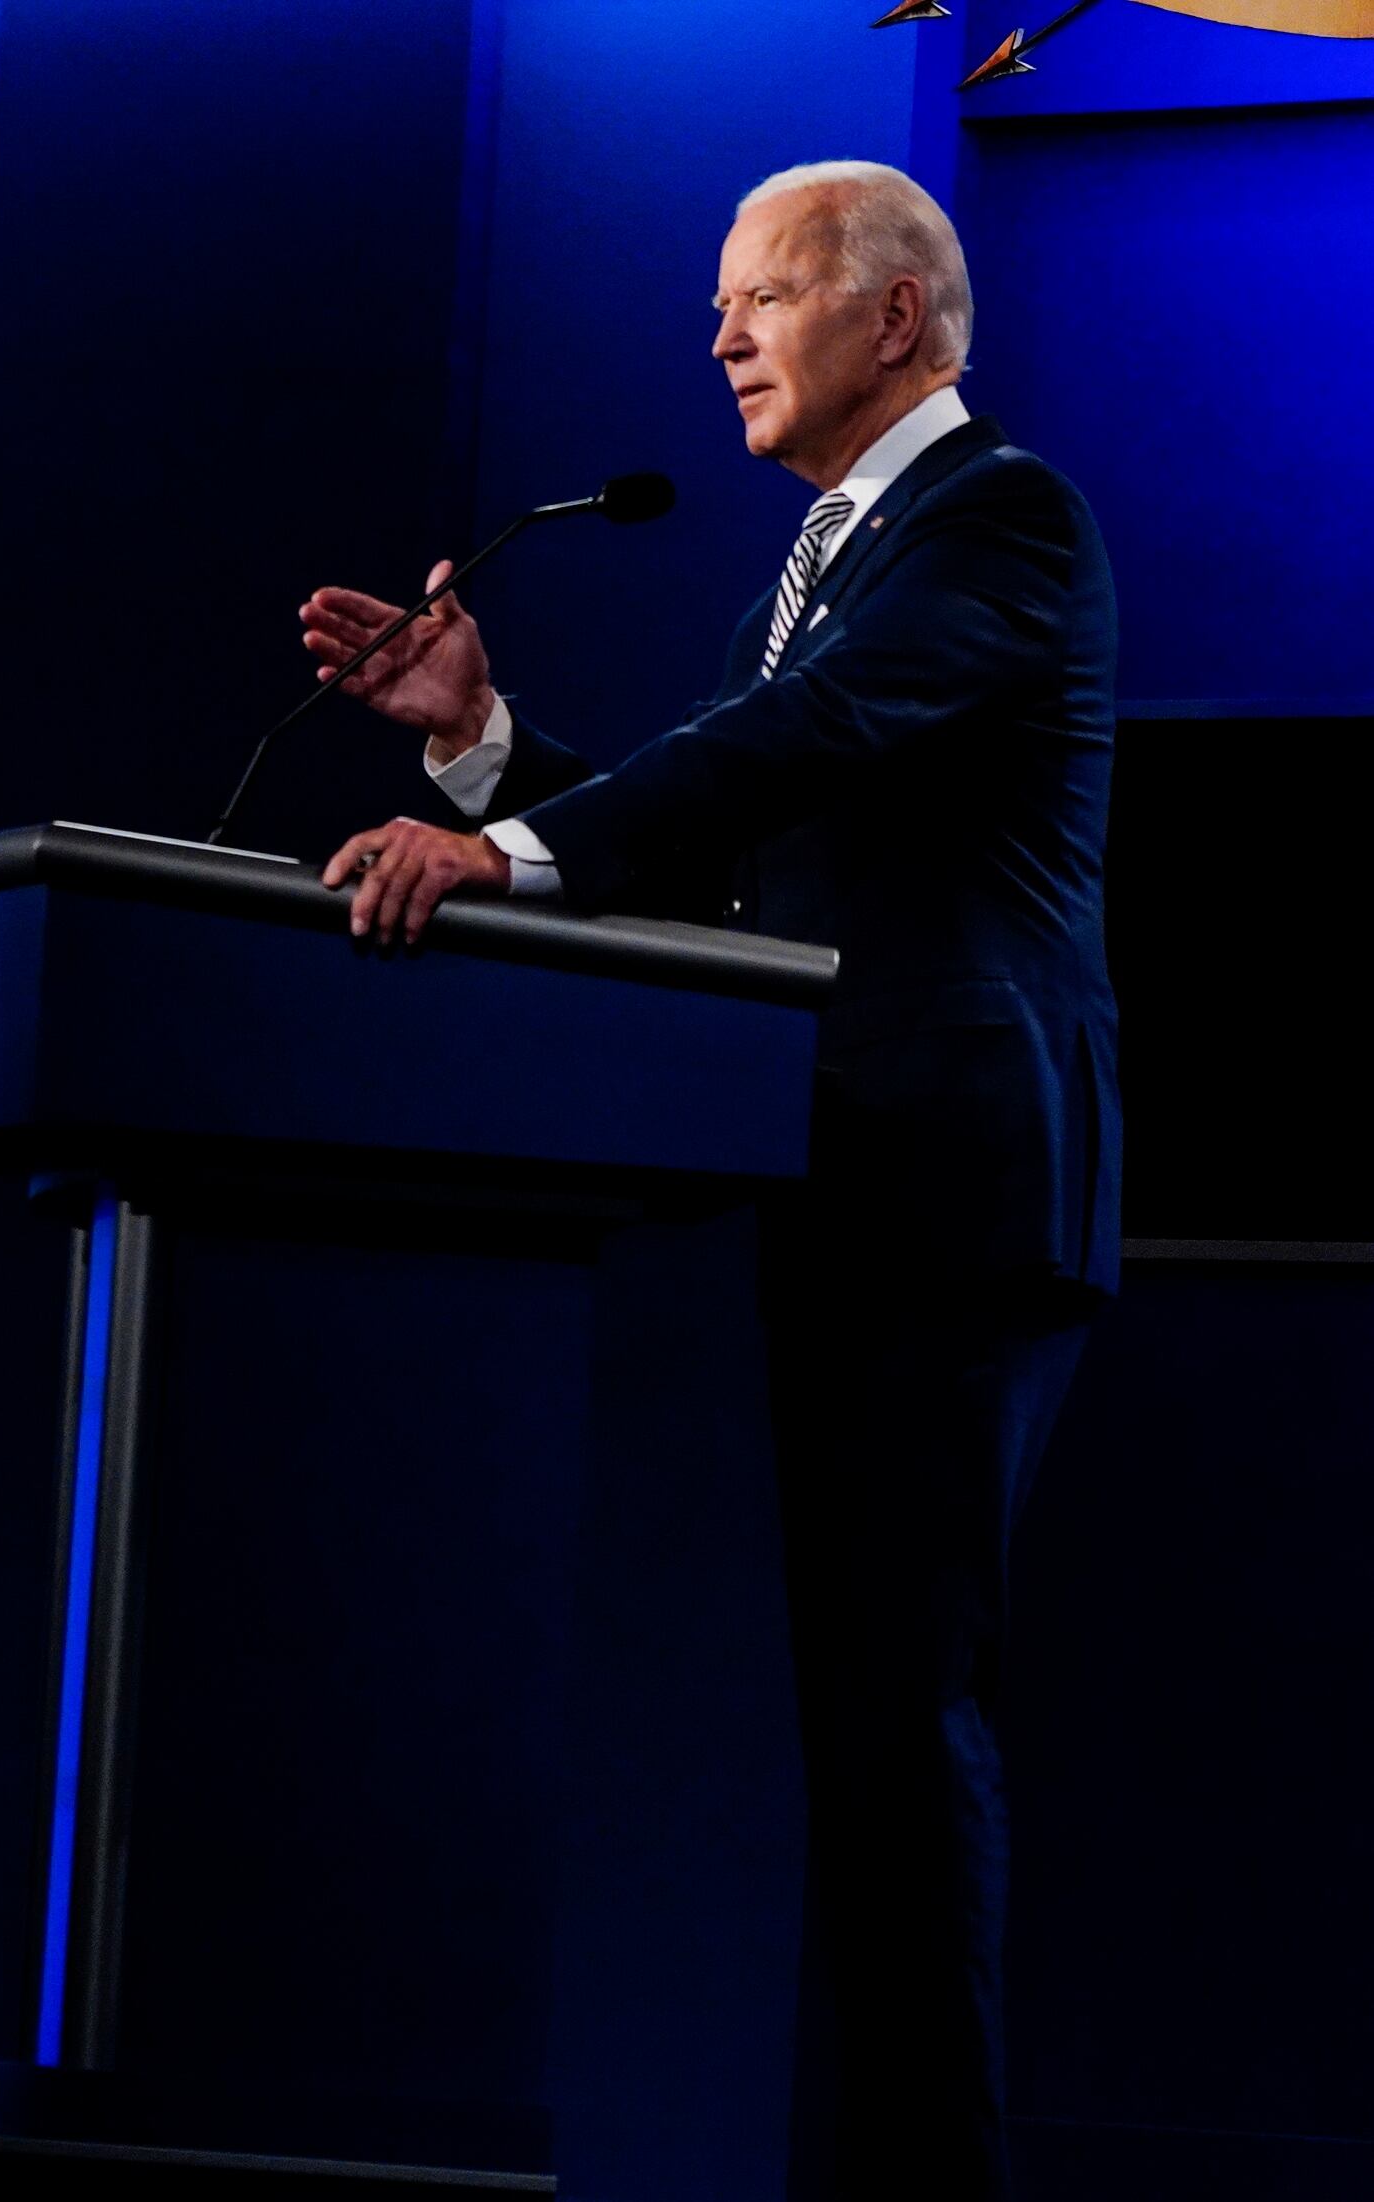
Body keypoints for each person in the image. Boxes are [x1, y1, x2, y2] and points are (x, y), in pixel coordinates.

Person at [301, 162, 1114, 2200]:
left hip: (953, 1194)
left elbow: (800, 735)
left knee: (905, 1727)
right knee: (861, 1733)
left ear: (899, 325)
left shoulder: (992, 519)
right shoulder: (846, 549)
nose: (720, 334)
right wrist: (479, 746)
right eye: (719, 299)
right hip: (847, 1190)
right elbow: (737, 839)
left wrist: (502, 858)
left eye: (764, 295)